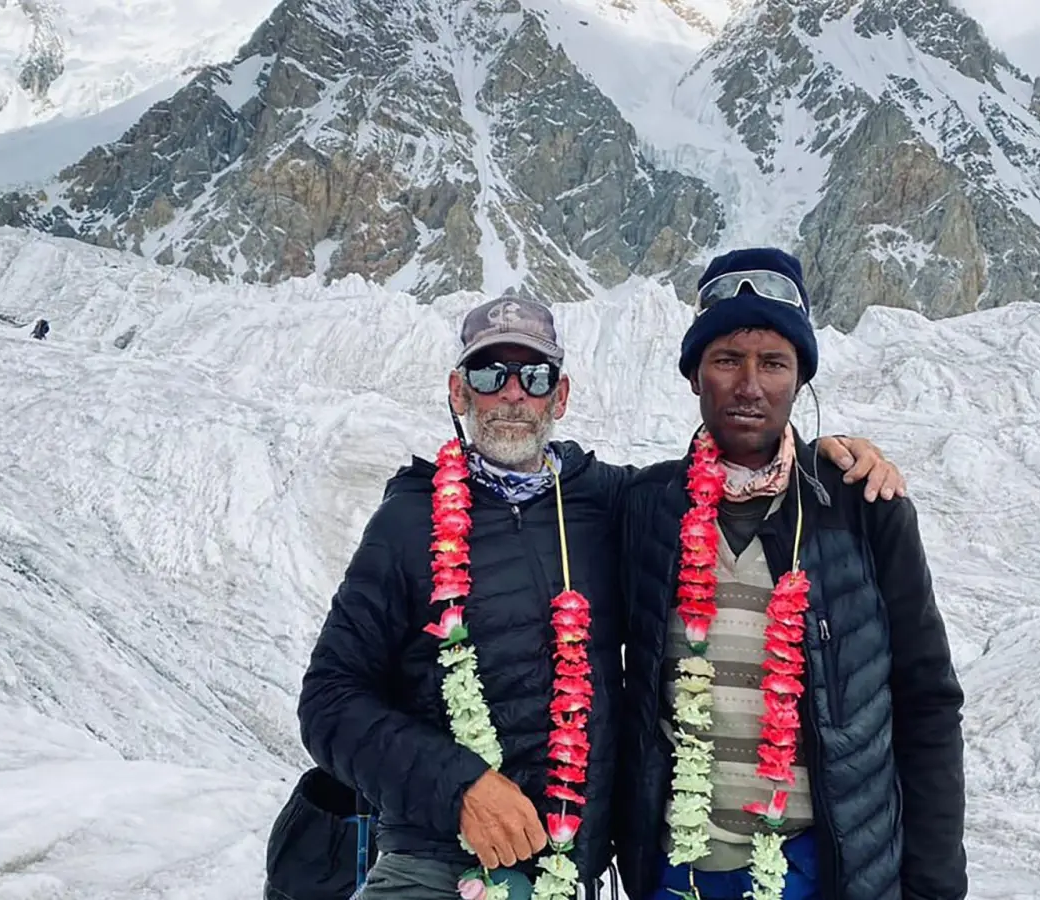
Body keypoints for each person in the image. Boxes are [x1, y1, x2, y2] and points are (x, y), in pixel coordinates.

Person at [296, 290, 908, 900]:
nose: (513, 392)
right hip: (437, 868)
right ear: (459, 391)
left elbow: (721, 481)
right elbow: (328, 701)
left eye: (534, 375)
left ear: (559, 396)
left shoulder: (607, 503)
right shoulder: (407, 524)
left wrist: (828, 458)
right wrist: (458, 787)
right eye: (490, 372)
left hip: (571, 872)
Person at [613, 248, 967, 900]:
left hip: (820, 870)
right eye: (726, 360)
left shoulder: (863, 510)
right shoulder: (644, 509)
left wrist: (936, 887)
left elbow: (927, 705)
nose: (750, 385)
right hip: (679, 871)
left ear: (800, 379)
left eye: (773, 363)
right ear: (695, 376)